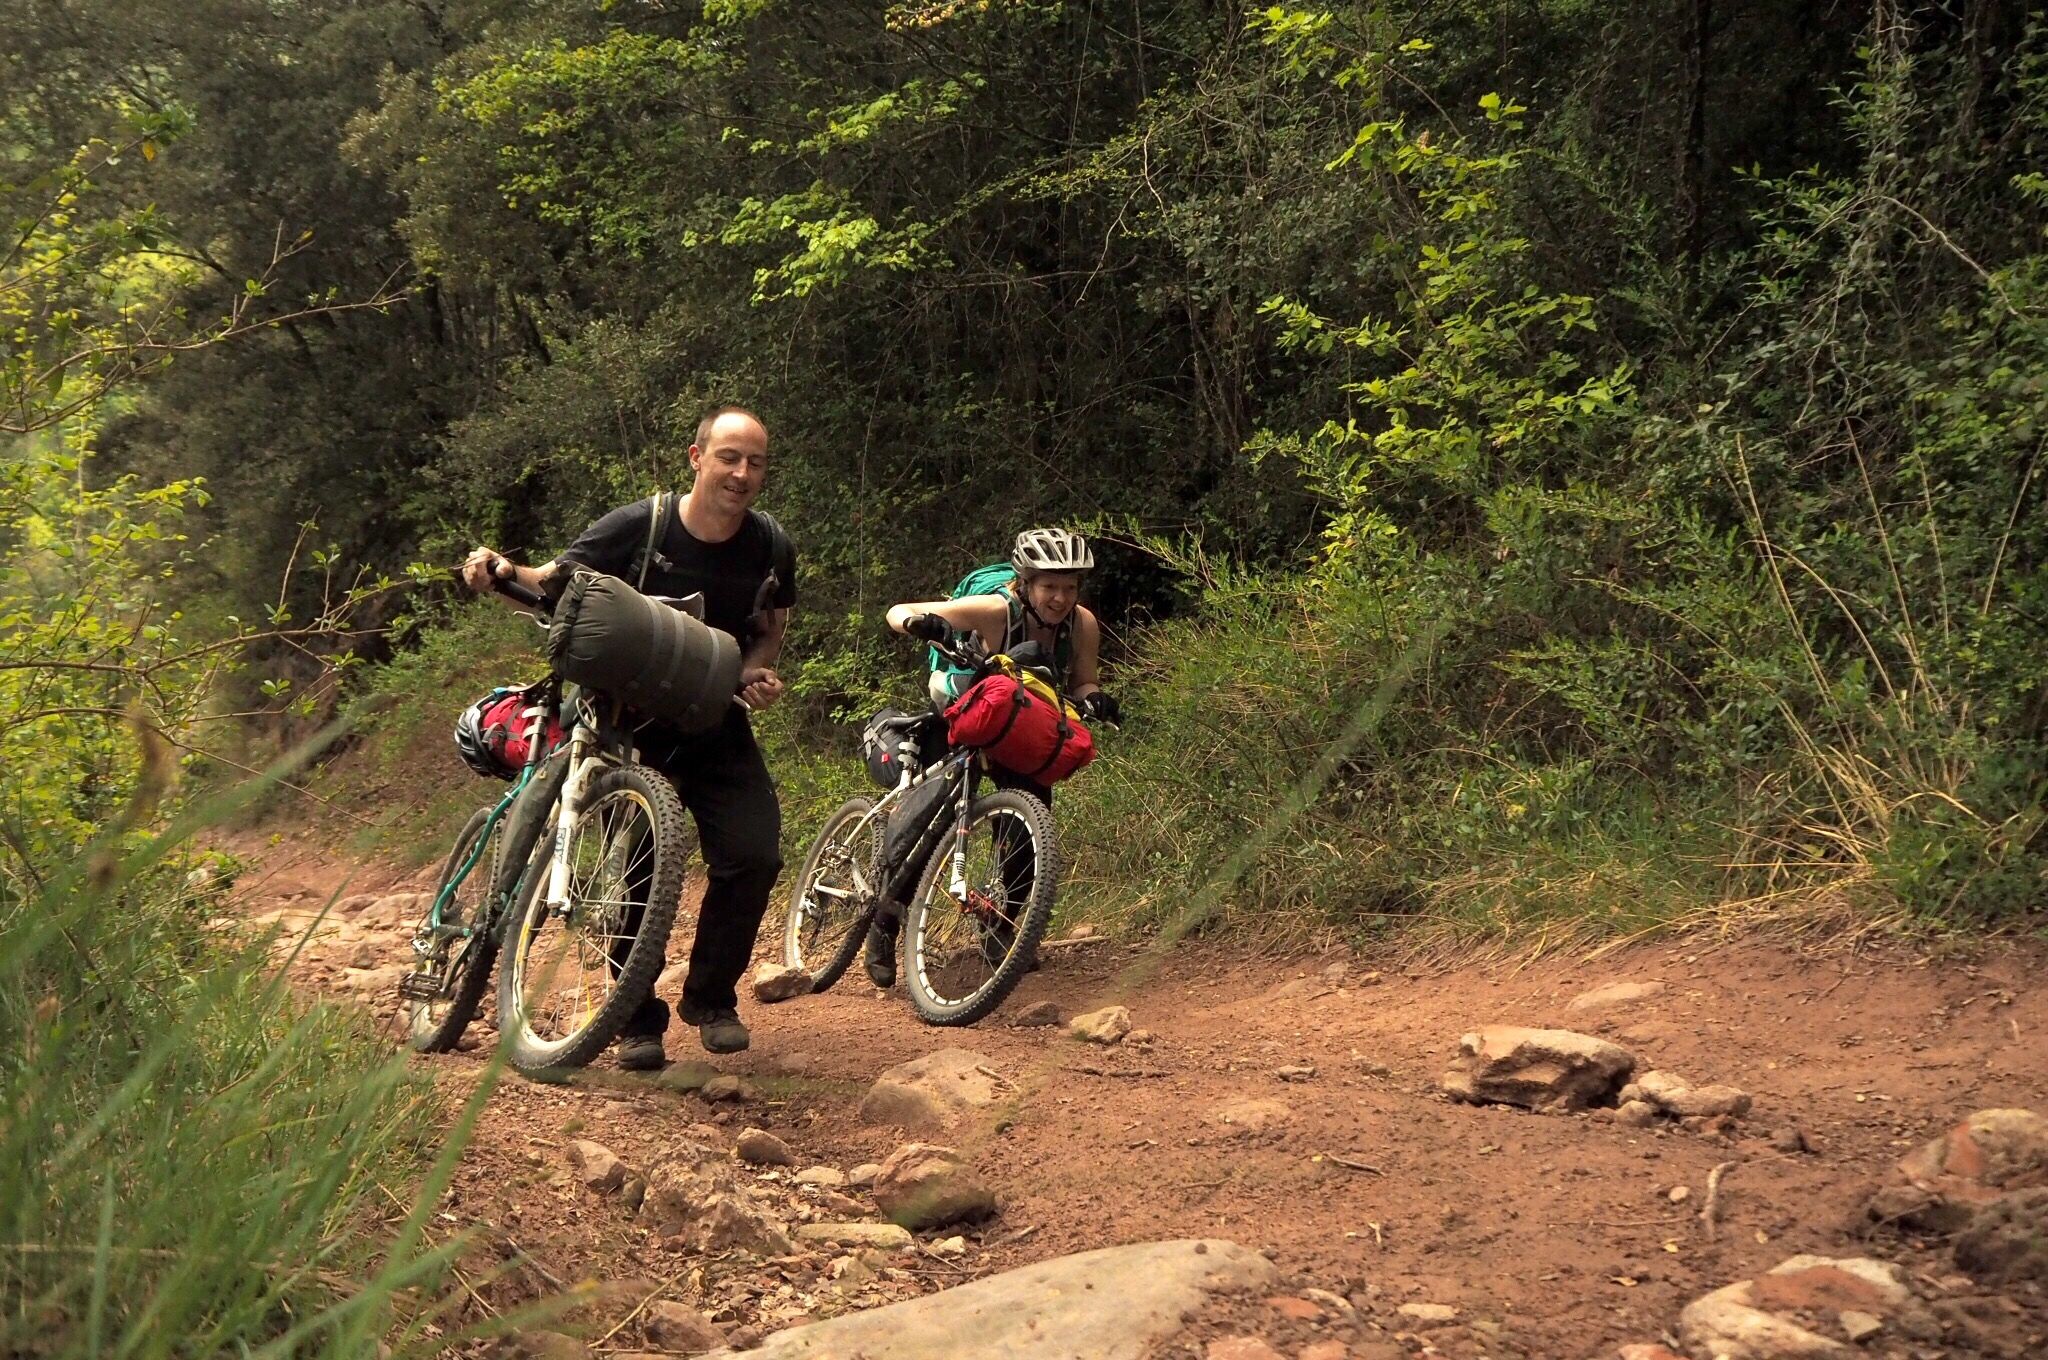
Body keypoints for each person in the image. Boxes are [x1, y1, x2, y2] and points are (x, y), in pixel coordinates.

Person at [459, 406, 795, 1065]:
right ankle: (636, 1020)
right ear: (697, 458)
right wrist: (500, 569)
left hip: (715, 718)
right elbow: (554, 582)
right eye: (729, 457)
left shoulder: (770, 544)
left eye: (755, 462)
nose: (741, 473)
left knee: (754, 852)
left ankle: (710, 999)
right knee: (640, 866)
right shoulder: (644, 525)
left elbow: (770, 626)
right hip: (628, 718)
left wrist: (756, 671)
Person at [863, 527, 1119, 987]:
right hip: (963, 711)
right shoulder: (994, 610)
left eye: (1069, 587)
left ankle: (1002, 927)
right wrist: (922, 624)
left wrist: (1094, 698)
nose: (1060, 598)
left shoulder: (1082, 624)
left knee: (1029, 826)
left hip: (1020, 724)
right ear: (1025, 583)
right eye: (1049, 586)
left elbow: (1084, 679)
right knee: (931, 816)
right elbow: (897, 611)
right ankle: (883, 924)